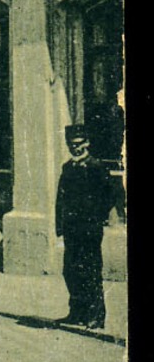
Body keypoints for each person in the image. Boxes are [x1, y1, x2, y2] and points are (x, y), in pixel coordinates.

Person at [54, 125, 123, 329]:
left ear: (87, 143)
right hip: (71, 229)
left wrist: (96, 216)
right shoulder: (68, 168)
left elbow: (111, 195)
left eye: (78, 144)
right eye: (71, 145)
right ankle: (77, 312)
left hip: (90, 229)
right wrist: (60, 226)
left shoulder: (96, 167)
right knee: (71, 270)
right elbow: (61, 199)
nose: (74, 148)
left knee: (91, 270)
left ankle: (96, 316)